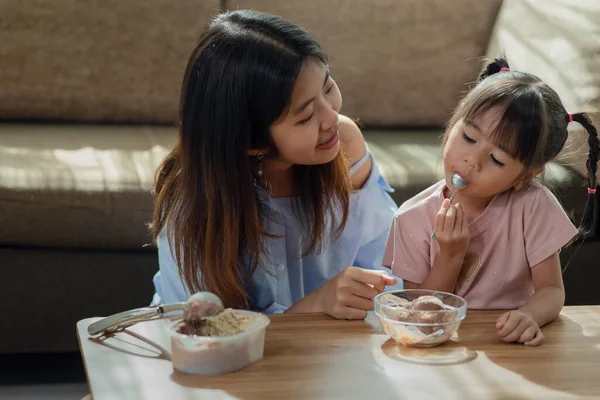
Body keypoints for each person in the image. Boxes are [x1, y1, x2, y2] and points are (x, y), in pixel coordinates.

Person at [151, 10, 401, 320]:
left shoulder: (344, 143)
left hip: (333, 350)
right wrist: (315, 306)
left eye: (327, 87)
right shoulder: (194, 206)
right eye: (306, 116)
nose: (332, 119)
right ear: (250, 142)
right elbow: (201, 333)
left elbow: (386, 259)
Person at [383, 57, 600, 345]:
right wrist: (450, 256)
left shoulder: (533, 206)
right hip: (443, 348)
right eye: (469, 138)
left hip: (508, 345)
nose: (472, 160)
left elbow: (551, 291)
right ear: (454, 123)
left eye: (496, 159)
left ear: (524, 177)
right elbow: (422, 313)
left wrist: (529, 315)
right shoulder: (411, 218)